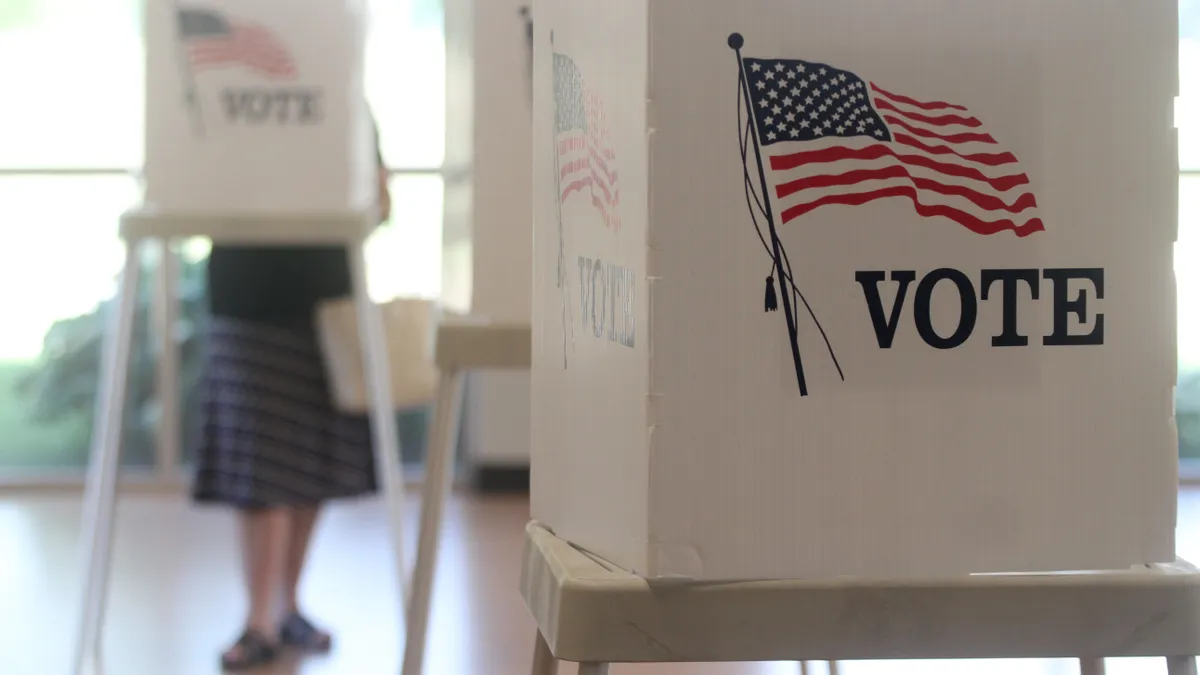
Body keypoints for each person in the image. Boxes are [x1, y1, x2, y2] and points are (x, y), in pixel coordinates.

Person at [191, 117, 392, 671]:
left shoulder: (340, 93)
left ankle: (285, 609)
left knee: (307, 468)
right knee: (264, 472)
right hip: (247, 300)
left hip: (323, 300)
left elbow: (379, 201)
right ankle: (261, 617)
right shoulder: (226, 102)